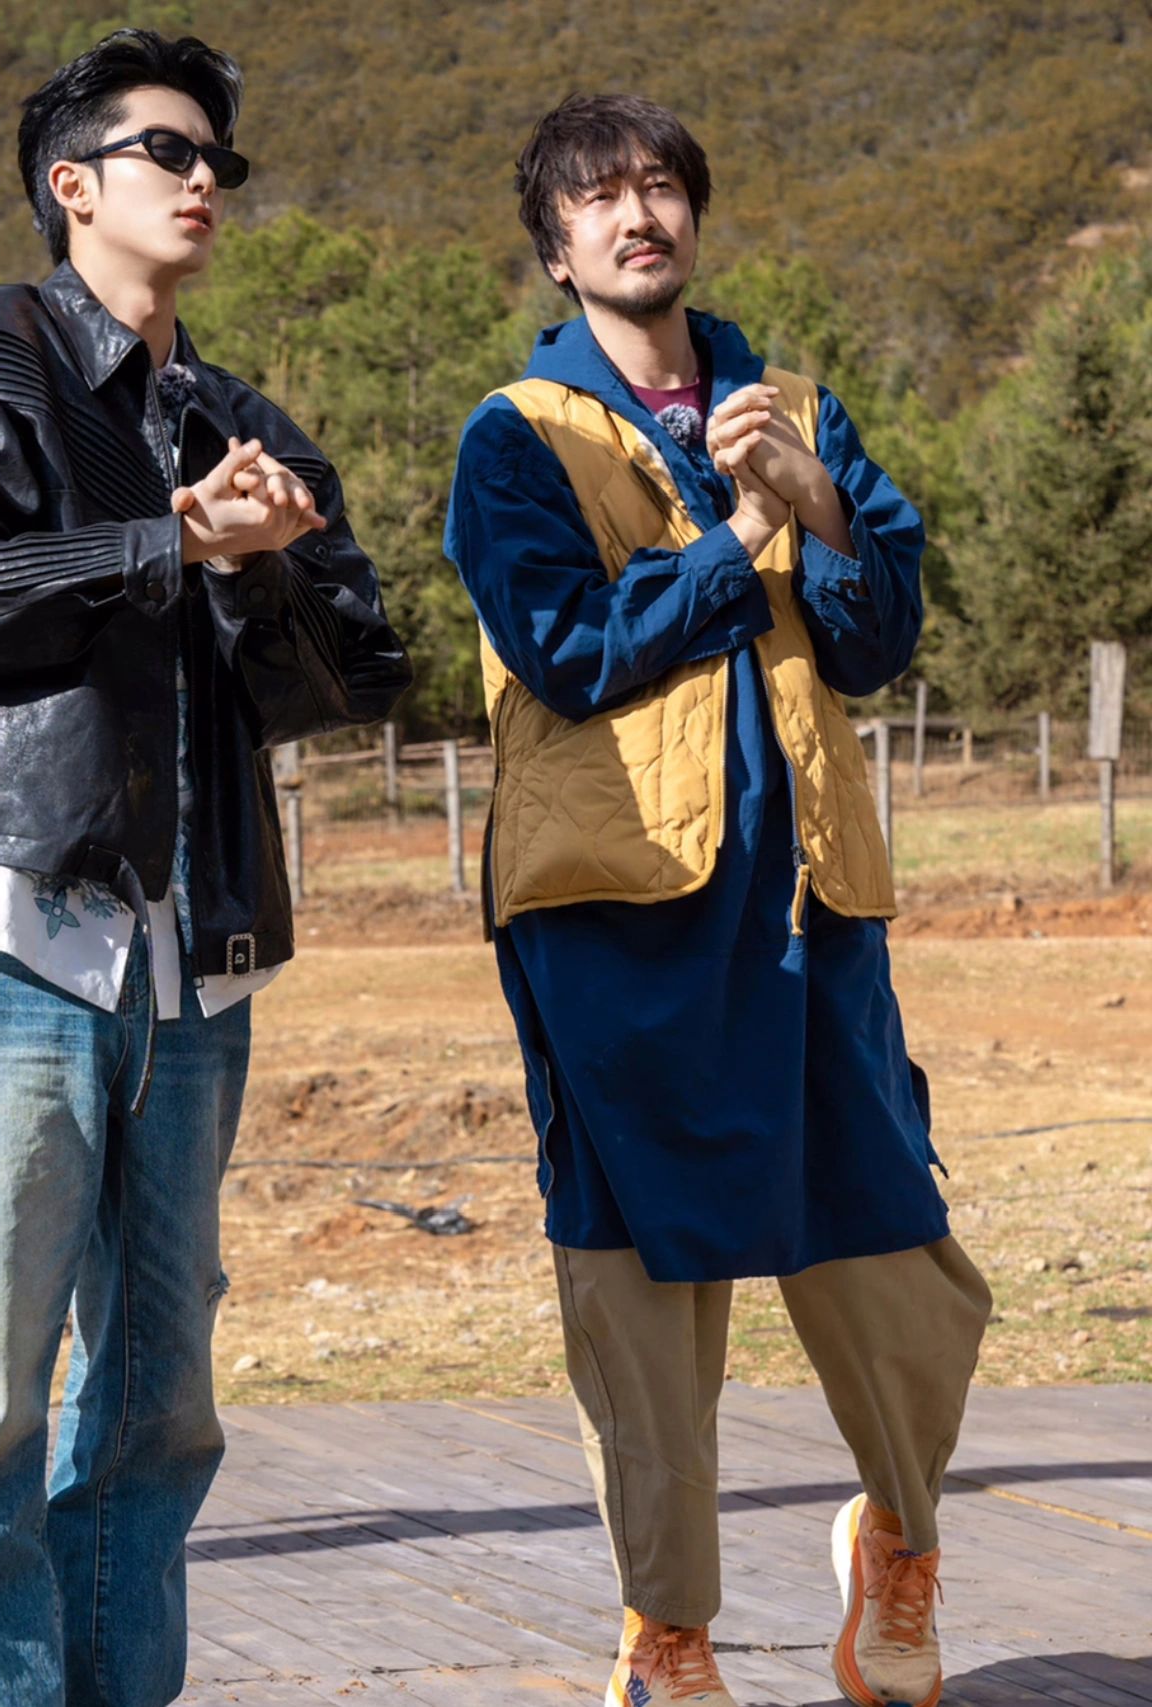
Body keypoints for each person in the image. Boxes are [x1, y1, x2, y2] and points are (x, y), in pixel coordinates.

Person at [0, 28, 409, 1707]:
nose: (203, 181)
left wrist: (255, 570)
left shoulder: (242, 423)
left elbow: (353, 677)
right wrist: (167, 537)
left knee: (160, 1402)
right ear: (72, 183)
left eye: (218, 161)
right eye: (167, 151)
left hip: (199, 963)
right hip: (11, 933)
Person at [445, 93, 991, 1707]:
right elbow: (567, 653)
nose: (639, 216)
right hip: (614, 919)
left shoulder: (794, 408)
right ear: (557, 249)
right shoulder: (517, 434)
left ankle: (898, 1543)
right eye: (600, 199)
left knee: (897, 1255)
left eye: (661, 188)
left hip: (814, 906)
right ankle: (667, 1632)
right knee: (644, 1284)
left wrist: (817, 500)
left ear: (694, 215)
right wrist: (744, 533)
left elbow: (878, 637)